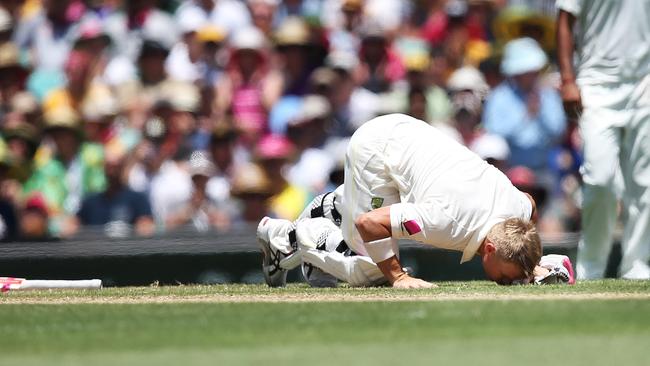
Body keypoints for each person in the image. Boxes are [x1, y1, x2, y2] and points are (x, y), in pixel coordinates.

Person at [257, 113, 543, 288]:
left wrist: (531, 264)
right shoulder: (446, 222)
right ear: (490, 248)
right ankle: (285, 238)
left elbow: (530, 204)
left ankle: (334, 206)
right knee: (371, 271)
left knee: (375, 238)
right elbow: (368, 223)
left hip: (408, 136)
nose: (509, 284)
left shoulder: (519, 209)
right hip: (376, 150)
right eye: (507, 279)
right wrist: (397, 277)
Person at [556, 0, 650, 280]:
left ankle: (637, 267)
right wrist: (567, 79)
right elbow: (564, 20)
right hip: (596, 82)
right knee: (600, 180)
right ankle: (591, 269)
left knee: (645, 182)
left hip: (644, 82)